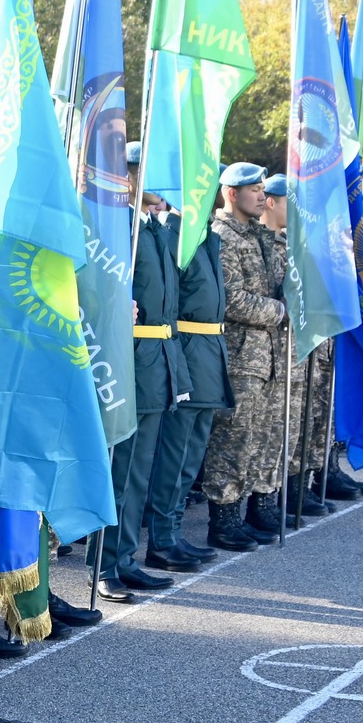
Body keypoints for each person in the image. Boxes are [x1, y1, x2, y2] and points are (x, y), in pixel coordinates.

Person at [103, 159, 184, 589]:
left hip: (156, 357)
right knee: (121, 467)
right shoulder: (120, 226)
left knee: (139, 468)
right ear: (129, 178)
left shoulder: (152, 226)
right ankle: (103, 565)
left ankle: (125, 557)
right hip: (129, 356)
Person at [142, 185, 231, 564]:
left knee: (191, 452)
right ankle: (162, 537)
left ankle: (173, 531)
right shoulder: (177, 234)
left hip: (208, 352)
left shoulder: (203, 234)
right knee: (174, 453)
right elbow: (169, 305)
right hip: (188, 350)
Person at [204, 164, 286, 551]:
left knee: (256, 436)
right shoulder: (223, 236)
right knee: (232, 438)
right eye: (253, 189)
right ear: (231, 193)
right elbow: (231, 299)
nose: (261, 195)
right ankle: (222, 518)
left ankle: (247, 509)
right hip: (238, 356)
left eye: (262, 189)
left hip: (263, 356)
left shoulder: (258, 236)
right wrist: (279, 311)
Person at [261, 175, 332, 524]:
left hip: (296, 351)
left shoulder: (294, 243)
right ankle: (260, 505)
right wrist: (282, 310)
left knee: (295, 428)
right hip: (265, 354)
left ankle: (293, 489)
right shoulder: (263, 242)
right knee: (266, 433)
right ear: (271, 202)